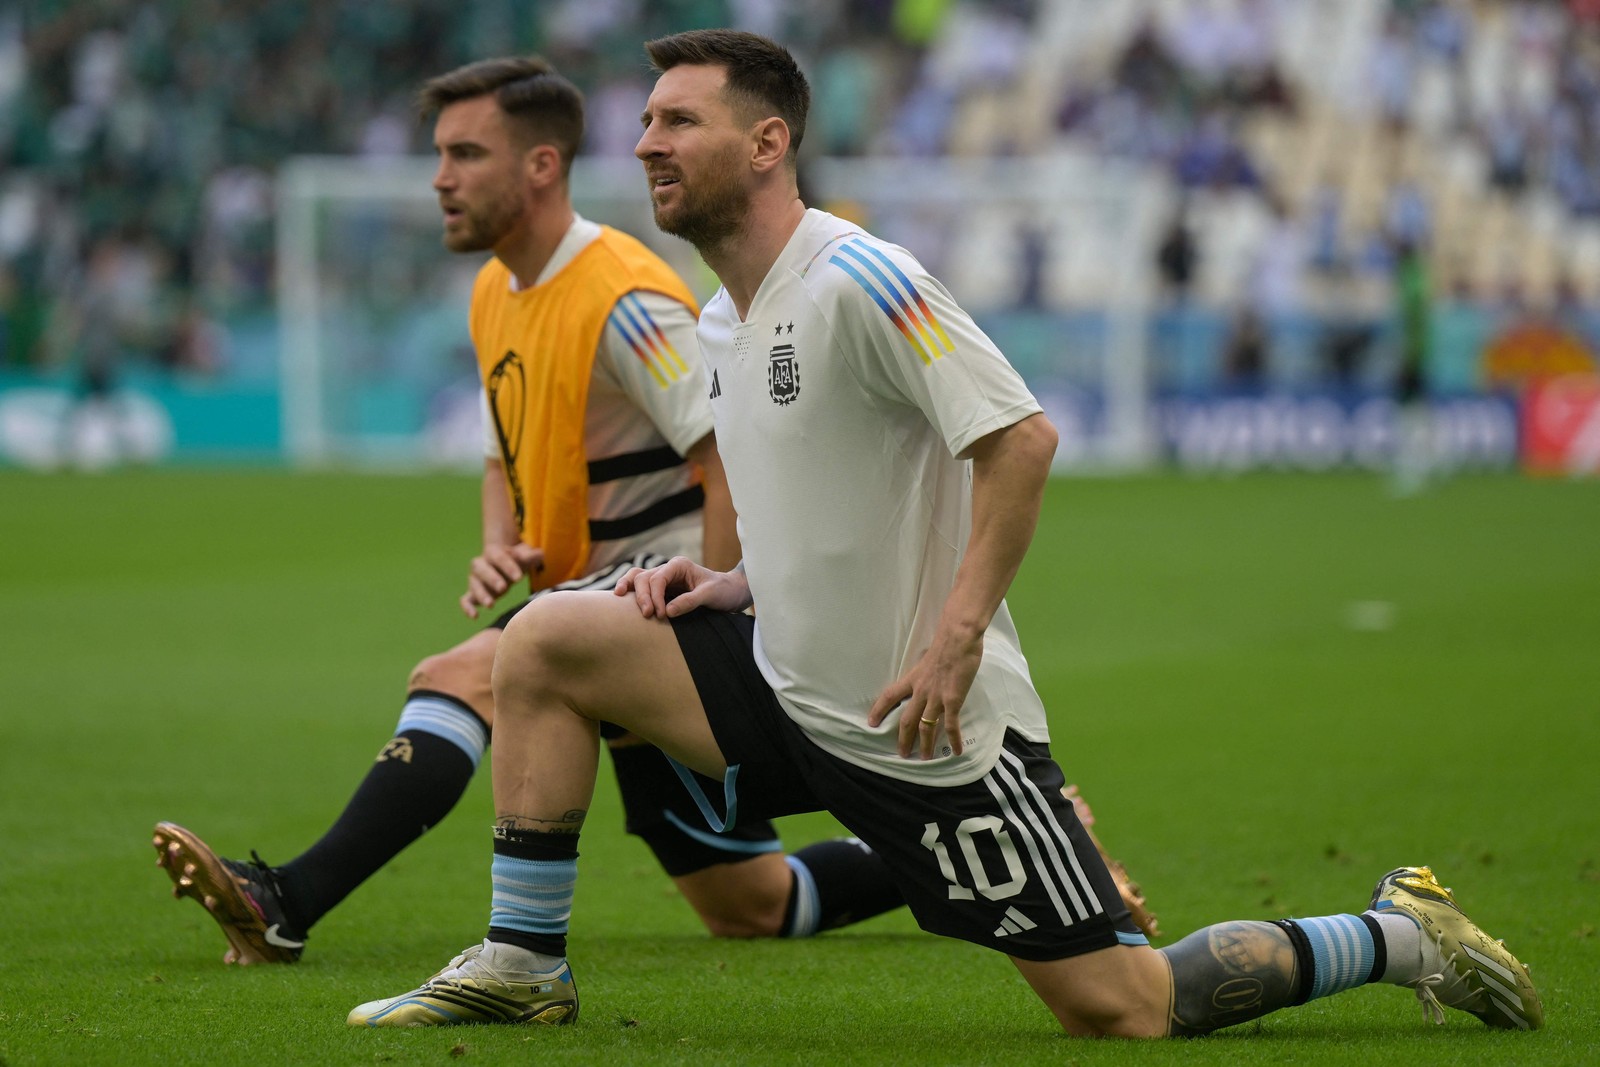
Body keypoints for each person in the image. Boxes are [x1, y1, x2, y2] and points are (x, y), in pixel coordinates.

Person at [347, 31, 1542, 1037]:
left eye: (680, 122)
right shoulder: (718, 315)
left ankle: (1393, 930)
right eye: (648, 120)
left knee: (1121, 1003)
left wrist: (958, 635)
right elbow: (819, 484)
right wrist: (730, 576)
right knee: (546, 640)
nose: (649, 142)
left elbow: (1018, 438)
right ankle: (523, 962)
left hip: (923, 722)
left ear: (768, 142)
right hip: (779, 679)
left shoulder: (862, 278)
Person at [150, 54, 908, 966]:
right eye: (439, 154)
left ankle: (287, 899)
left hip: (653, 593)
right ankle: (969, 842)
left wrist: (716, 613)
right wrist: (499, 544)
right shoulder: (494, 290)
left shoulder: (623, 298)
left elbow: (725, 458)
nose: (440, 178)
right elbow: (497, 447)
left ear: (541, 166)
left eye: (466, 154)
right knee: (750, 902)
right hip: (598, 590)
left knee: (467, 672)